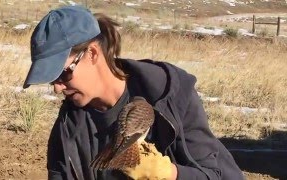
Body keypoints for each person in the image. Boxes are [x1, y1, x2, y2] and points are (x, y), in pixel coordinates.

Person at [23, 5, 244, 180]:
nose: (57, 87)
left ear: (92, 54)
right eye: (52, 79)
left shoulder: (168, 95)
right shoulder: (68, 129)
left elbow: (217, 175)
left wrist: (169, 174)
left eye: (63, 74)